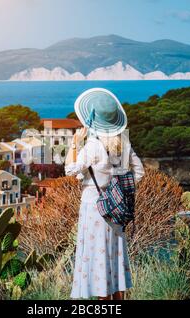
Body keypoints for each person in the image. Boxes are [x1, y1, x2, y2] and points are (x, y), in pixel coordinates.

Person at [65, 88, 144, 300]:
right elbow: (139, 172)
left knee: (99, 261)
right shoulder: (123, 143)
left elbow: (70, 169)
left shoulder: (92, 146)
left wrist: (74, 143)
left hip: (94, 208)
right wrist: (117, 190)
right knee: (115, 260)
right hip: (116, 209)